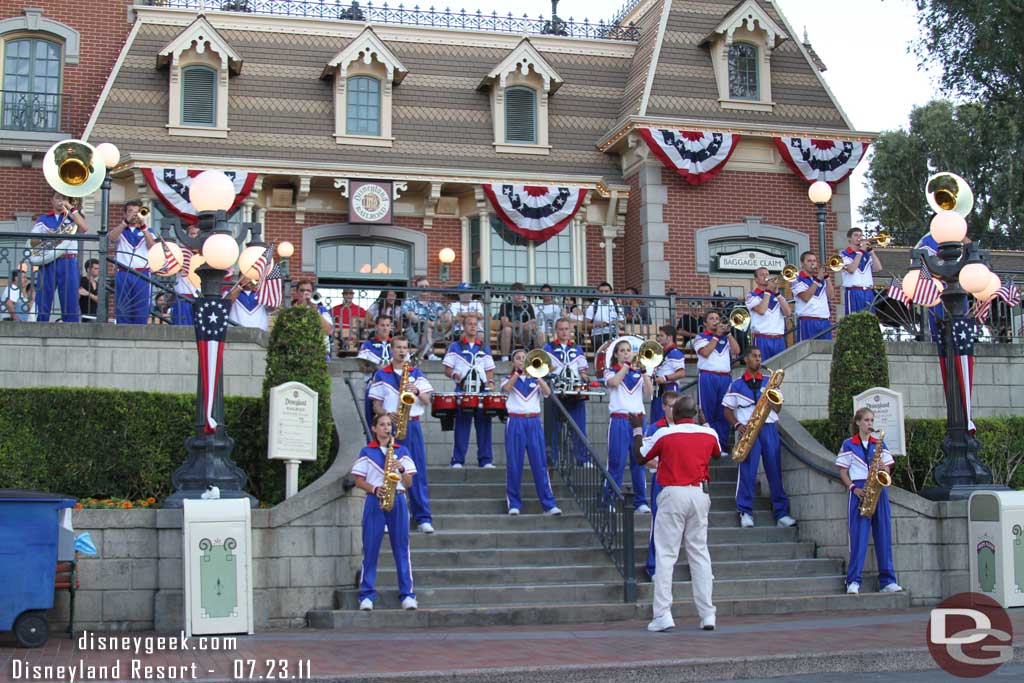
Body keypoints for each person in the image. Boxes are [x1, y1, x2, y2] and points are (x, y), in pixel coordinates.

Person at [636, 396, 720, 632]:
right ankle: (707, 614)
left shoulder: (666, 433)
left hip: (673, 492)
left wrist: (635, 430)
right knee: (699, 554)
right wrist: (705, 424)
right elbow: (716, 451)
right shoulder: (709, 433)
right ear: (694, 414)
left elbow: (641, 457)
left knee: (666, 555)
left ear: (675, 413)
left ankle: (663, 614)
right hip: (699, 494)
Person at [722, 347, 797, 529]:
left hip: (769, 427)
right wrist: (738, 426)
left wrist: (772, 400)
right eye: (754, 356)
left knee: (774, 472)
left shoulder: (769, 382)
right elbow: (727, 411)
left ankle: (781, 513)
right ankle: (745, 511)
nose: (758, 359)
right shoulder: (737, 384)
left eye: (759, 356)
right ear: (746, 359)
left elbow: (778, 408)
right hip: (748, 430)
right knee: (747, 472)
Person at [351, 413, 418, 611]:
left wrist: (402, 469)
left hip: (397, 498)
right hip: (375, 500)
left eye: (389, 425)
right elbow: (358, 480)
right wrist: (373, 489)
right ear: (374, 429)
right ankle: (366, 595)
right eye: (382, 425)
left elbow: (410, 483)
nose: (386, 428)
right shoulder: (367, 451)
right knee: (370, 548)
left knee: (401, 549)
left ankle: (407, 594)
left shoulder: (402, 450)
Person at [369, 335, 436, 534]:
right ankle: (389, 516)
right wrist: (386, 414)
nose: (402, 351)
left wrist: (415, 390)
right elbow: (376, 405)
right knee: (387, 471)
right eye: (398, 347)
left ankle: (423, 517)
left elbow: (427, 401)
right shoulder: (382, 375)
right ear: (391, 349)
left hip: (413, 425)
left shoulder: (416, 373)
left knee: (417, 472)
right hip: (390, 427)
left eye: (405, 348)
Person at [837, 408, 903, 595]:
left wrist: (884, 469)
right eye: (866, 420)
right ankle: (853, 581)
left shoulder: (878, 444)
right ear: (857, 422)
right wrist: (852, 488)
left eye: (871, 420)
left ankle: (887, 581)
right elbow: (842, 470)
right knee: (858, 538)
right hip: (860, 490)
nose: (870, 424)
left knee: (884, 536)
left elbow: (888, 470)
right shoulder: (849, 444)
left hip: (878, 490)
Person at [501, 349, 562, 516]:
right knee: (514, 464)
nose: (521, 360)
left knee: (540, 464)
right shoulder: (507, 378)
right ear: (513, 362)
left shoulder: (535, 380)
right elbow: (506, 389)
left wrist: (538, 375)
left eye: (524, 358)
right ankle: (513, 503)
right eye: (518, 358)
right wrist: (518, 372)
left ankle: (548, 504)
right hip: (515, 421)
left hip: (534, 421)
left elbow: (548, 393)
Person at [632, 390, 680, 580]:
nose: (674, 410)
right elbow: (645, 458)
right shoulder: (655, 428)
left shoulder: (684, 427)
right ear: (664, 407)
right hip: (662, 480)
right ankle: (653, 567)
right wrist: (667, 465)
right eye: (671, 406)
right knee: (658, 524)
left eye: (677, 407)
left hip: (680, 481)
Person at [443, 312, 496, 469]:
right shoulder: (455, 346)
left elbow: (489, 370)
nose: (473, 326)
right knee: (462, 425)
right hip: (463, 390)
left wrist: (491, 382)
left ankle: (486, 460)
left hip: (482, 391)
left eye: (475, 324)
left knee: (485, 424)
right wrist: (454, 374)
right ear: (464, 327)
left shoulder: (484, 347)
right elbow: (447, 369)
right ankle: (458, 460)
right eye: (470, 324)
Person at [604, 338, 651, 513]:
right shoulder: (609, 372)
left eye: (628, 350)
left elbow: (649, 391)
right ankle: (609, 500)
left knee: (639, 462)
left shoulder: (638, 372)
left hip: (638, 420)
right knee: (616, 462)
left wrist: (644, 371)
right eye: (622, 350)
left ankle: (641, 501)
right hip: (619, 420)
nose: (626, 352)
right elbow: (614, 383)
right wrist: (626, 365)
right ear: (616, 354)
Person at [32, 191, 88, 322]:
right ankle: (42, 323)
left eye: (64, 198)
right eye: (58, 198)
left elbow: (84, 228)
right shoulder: (43, 219)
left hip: (68, 260)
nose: (60, 201)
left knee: (69, 296)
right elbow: (33, 241)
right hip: (48, 260)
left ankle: (71, 325)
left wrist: (70, 206)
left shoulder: (73, 217)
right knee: (44, 294)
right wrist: (46, 236)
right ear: (51, 200)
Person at [544, 317, 591, 467]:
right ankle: (553, 460)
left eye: (566, 329)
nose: (564, 332)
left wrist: (585, 379)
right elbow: (544, 369)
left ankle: (582, 459)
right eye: (561, 329)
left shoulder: (577, 349)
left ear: (571, 331)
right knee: (553, 429)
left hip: (575, 394)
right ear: (556, 331)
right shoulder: (548, 348)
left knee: (579, 427)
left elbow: (583, 372)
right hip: (556, 394)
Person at [693, 309, 739, 455]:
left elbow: (737, 351)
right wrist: (716, 337)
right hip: (708, 376)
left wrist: (729, 334)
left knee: (723, 412)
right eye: (711, 318)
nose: (715, 321)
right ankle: (709, 446)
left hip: (725, 377)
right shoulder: (701, 337)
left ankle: (722, 446)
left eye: (717, 318)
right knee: (707, 412)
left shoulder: (725, 338)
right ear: (705, 323)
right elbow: (705, 353)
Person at [108, 199, 156, 325]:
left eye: (137, 212)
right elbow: (112, 238)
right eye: (130, 212)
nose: (134, 215)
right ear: (124, 214)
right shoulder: (120, 230)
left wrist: (143, 226)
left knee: (141, 307)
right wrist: (125, 222)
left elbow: (152, 246)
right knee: (122, 307)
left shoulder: (149, 231)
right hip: (123, 272)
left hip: (142, 274)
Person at [357, 315, 393, 433]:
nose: (385, 328)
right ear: (377, 326)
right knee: (372, 421)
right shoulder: (368, 345)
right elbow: (362, 366)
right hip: (373, 386)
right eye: (382, 325)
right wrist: (376, 368)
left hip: (392, 388)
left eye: (387, 325)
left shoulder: (396, 345)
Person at [746, 268, 791, 361]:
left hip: (779, 339)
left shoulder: (778, 296)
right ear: (756, 280)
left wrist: (777, 293)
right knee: (762, 369)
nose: (765, 276)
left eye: (767, 274)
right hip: (762, 338)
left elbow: (788, 313)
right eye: (762, 275)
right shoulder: (751, 295)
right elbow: (762, 310)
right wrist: (768, 291)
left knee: (780, 369)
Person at [792, 251, 835, 342]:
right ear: (802, 263)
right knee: (805, 353)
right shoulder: (796, 279)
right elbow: (805, 297)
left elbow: (831, 295)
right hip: (807, 321)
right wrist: (818, 280)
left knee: (826, 353)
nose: (813, 263)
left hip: (824, 321)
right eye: (809, 261)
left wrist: (827, 278)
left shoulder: (819, 279)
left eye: (814, 261)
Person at [840, 228, 882, 315]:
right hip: (853, 292)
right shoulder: (843, 254)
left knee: (870, 321)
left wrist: (871, 252)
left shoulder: (866, 254)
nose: (859, 238)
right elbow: (851, 269)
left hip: (868, 292)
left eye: (860, 235)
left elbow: (878, 268)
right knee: (854, 321)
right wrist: (860, 251)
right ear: (849, 238)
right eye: (856, 235)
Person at [650, 324, 686, 424]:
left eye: (661, 336)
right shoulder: (663, 352)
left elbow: (682, 373)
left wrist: (665, 378)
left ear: (670, 337)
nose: (659, 338)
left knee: (667, 420)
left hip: (669, 388)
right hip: (659, 390)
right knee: (657, 420)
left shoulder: (674, 352)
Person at [402, 277, 442, 360]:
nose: (424, 289)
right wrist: (426, 323)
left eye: (426, 287)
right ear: (416, 289)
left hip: (435, 330)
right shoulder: (409, 302)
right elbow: (412, 317)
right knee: (427, 329)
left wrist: (431, 324)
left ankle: (420, 356)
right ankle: (429, 354)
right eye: (421, 287)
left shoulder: (436, 305)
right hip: (414, 330)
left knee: (432, 328)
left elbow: (444, 320)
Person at [498, 283, 536, 361]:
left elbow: (533, 323)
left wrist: (521, 325)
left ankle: (535, 358)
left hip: (524, 333)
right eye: (516, 293)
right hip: (510, 334)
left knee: (536, 332)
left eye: (522, 293)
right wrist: (521, 324)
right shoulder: (505, 305)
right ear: (512, 294)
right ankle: (505, 359)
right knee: (507, 329)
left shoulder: (528, 306)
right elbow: (504, 323)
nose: (519, 295)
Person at [295, 279, 333, 357]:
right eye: (302, 291)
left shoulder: (322, 310)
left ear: (312, 293)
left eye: (308, 291)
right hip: (297, 354)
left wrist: (315, 311)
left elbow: (328, 331)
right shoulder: (291, 310)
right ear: (297, 293)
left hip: (320, 353)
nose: (305, 293)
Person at [585, 282, 621, 351]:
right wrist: (598, 324)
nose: (604, 293)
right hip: (598, 334)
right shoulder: (593, 306)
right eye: (601, 291)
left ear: (611, 292)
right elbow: (585, 325)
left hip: (613, 334)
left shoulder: (617, 306)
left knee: (617, 344)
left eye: (606, 291)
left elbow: (623, 323)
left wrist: (618, 323)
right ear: (598, 293)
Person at [331, 288, 366, 352]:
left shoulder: (361, 310)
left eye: (350, 293)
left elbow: (364, 326)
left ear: (353, 295)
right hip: (338, 341)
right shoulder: (334, 309)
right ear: (343, 295)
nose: (348, 295)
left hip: (354, 341)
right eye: (346, 293)